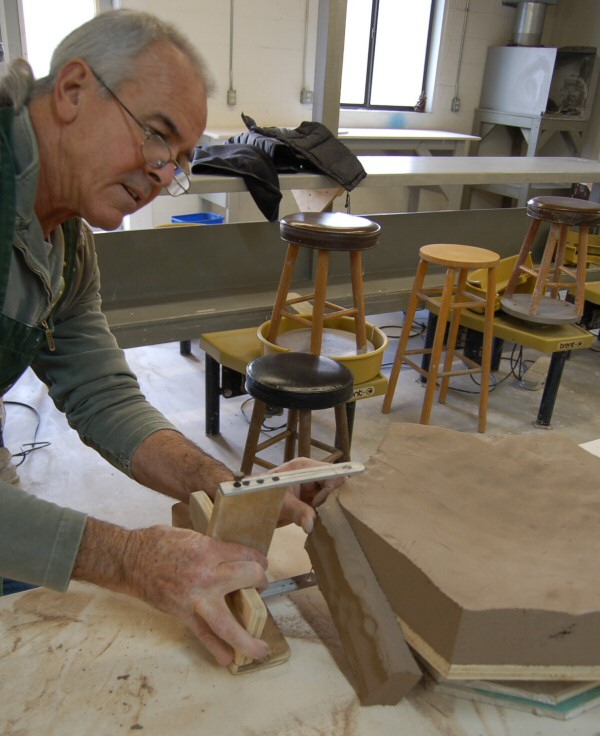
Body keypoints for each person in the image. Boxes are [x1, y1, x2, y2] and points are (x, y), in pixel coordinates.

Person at [0, 9, 342, 667]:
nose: (162, 174)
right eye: (156, 135)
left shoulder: (66, 239)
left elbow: (103, 396)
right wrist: (130, 558)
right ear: (72, 90)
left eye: (181, 161)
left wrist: (230, 488)